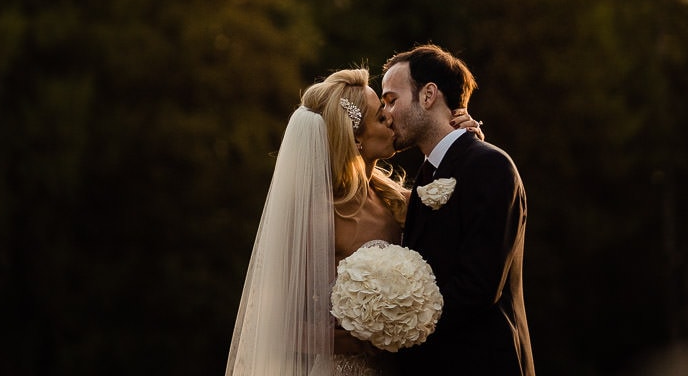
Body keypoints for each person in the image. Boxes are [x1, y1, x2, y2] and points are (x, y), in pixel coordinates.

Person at [226, 67, 483, 376]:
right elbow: (277, 323)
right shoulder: (320, 214)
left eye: (388, 107)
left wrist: (468, 147)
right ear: (355, 138)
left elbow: (465, 230)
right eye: (380, 116)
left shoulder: (400, 201)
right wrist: (362, 338)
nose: (390, 117)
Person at [382, 44, 535, 376]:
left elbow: (478, 287)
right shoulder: (428, 175)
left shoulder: (490, 166)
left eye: (392, 99)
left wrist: (398, 327)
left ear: (428, 95)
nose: (386, 113)